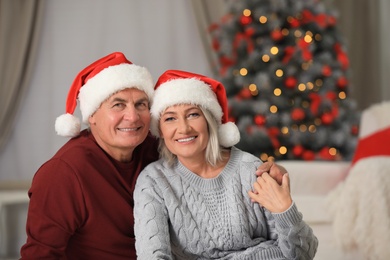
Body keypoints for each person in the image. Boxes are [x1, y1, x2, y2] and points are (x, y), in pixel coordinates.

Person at [20, 52, 285, 259]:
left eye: (141, 105)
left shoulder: (155, 147)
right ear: (92, 115)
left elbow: (211, 160)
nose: (132, 117)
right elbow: (40, 254)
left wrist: (268, 172)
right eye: (118, 105)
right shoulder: (64, 173)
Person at [133, 70, 318, 259]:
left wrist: (285, 210)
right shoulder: (154, 182)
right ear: (161, 130)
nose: (184, 128)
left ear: (209, 122)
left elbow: (302, 255)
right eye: (170, 118)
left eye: (193, 114)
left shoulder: (250, 170)